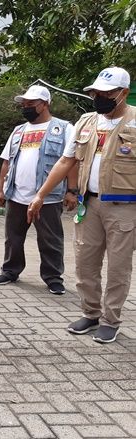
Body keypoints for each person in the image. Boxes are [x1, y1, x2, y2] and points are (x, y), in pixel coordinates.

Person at [28, 67, 136, 344]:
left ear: (123, 93)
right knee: (85, 263)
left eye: (107, 93)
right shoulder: (87, 122)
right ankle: (91, 313)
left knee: (118, 268)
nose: (100, 97)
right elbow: (66, 162)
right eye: (96, 93)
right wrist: (41, 194)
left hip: (125, 208)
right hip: (89, 205)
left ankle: (111, 320)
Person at [0, 85, 77, 294]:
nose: (26, 108)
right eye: (24, 105)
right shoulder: (18, 130)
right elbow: (7, 162)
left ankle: (53, 277)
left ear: (45, 104)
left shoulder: (64, 128)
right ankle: (11, 270)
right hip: (17, 195)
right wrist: (1, 190)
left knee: (50, 239)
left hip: (48, 198)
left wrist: (71, 191)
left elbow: (71, 162)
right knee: (13, 237)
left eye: (31, 104)